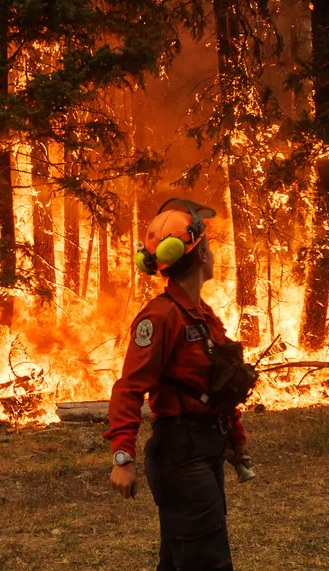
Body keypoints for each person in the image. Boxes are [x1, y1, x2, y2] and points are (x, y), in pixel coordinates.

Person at [105, 197, 249, 571]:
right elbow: (128, 389)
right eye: (209, 246)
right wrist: (123, 456)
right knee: (207, 561)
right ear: (200, 254)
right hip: (180, 456)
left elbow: (218, 386)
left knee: (181, 558)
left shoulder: (204, 316)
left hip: (205, 450)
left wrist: (236, 440)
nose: (213, 253)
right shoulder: (160, 317)